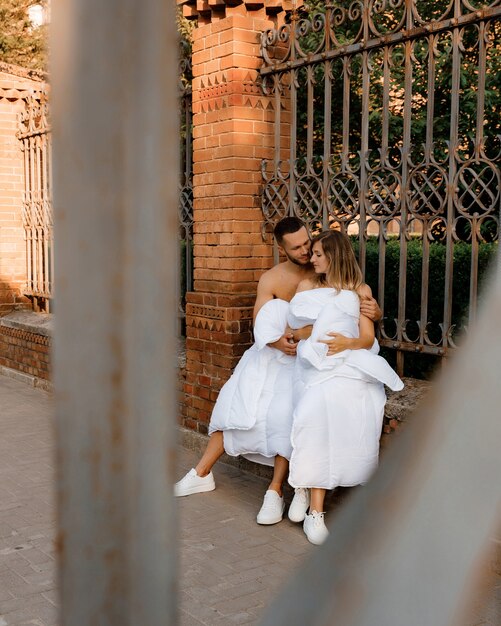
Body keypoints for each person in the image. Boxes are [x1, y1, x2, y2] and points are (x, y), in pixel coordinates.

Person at [174, 217, 382, 526]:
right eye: (297, 247)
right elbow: (261, 323)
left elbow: (350, 312)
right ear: (280, 248)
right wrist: (276, 343)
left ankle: (277, 490)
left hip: (309, 357)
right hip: (276, 352)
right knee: (234, 398)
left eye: (307, 244)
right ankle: (202, 472)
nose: (305, 251)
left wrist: (374, 311)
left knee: (286, 410)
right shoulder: (272, 279)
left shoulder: (324, 267)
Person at [286, 230, 404, 545]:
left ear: (334, 256)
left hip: (347, 363)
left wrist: (345, 342)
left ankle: (313, 506)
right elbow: (294, 331)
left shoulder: (359, 290)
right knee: (315, 412)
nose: (311, 259)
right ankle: (307, 492)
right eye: (311, 254)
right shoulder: (306, 286)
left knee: (346, 409)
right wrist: (314, 333)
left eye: (318, 254)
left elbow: (366, 338)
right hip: (314, 364)